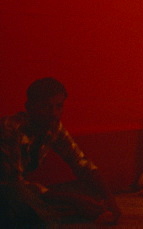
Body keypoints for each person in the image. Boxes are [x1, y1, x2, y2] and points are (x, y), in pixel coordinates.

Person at [1, 77, 121, 226]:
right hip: (7, 191)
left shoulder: (54, 127)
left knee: (87, 190)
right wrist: (72, 199)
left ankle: (53, 216)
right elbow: (13, 183)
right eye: (46, 107)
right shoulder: (10, 128)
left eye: (59, 106)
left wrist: (110, 199)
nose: (54, 113)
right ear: (29, 107)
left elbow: (82, 164)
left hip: (23, 191)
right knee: (20, 195)